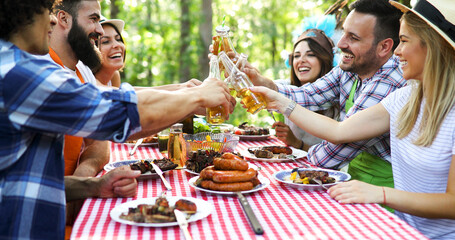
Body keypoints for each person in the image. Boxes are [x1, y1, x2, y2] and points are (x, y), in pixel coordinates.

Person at [0, 0, 234, 239]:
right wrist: (197, 97)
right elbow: (122, 113)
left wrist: (93, 186)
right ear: (19, 9)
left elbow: (30, 180)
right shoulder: (19, 74)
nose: (50, 20)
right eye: (43, 9)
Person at [250, 0, 455, 238]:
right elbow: (340, 131)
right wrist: (278, 100)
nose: (397, 51)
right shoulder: (405, 98)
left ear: (432, 46)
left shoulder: (397, 86)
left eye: (405, 41)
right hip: (401, 227)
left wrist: (381, 194)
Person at [244, 0, 405, 191]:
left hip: (391, 191)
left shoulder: (392, 78)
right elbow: (308, 95)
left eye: (353, 38)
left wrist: (289, 164)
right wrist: (260, 82)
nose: (340, 43)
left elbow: (341, 145)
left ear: (384, 47)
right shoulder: (351, 66)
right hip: (356, 180)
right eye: (344, 32)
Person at [273, 15, 339, 151]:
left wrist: (297, 143)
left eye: (311, 54)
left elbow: (334, 157)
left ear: (325, 60)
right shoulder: (289, 89)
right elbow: (261, 87)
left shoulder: (337, 98)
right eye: (296, 56)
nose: (301, 60)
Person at [93, 16, 125, 87]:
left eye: (118, 39)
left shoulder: (114, 75)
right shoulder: (88, 79)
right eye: (106, 41)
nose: (116, 45)